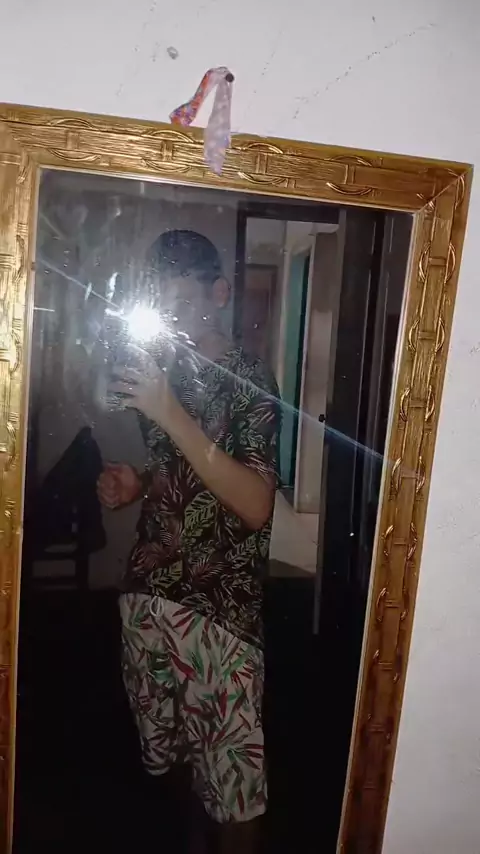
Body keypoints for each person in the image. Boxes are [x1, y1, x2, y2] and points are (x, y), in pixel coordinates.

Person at [97, 230, 281, 853]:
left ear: (220, 294)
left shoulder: (250, 377)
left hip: (221, 612)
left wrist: (168, 411)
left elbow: (255, 504)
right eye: (163, 305)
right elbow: (182, 470)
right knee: (171, 761)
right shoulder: (167, 371)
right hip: (150, 596)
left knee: (236, 790)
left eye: (183, 303)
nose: (172, 319)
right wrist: (138, 481)